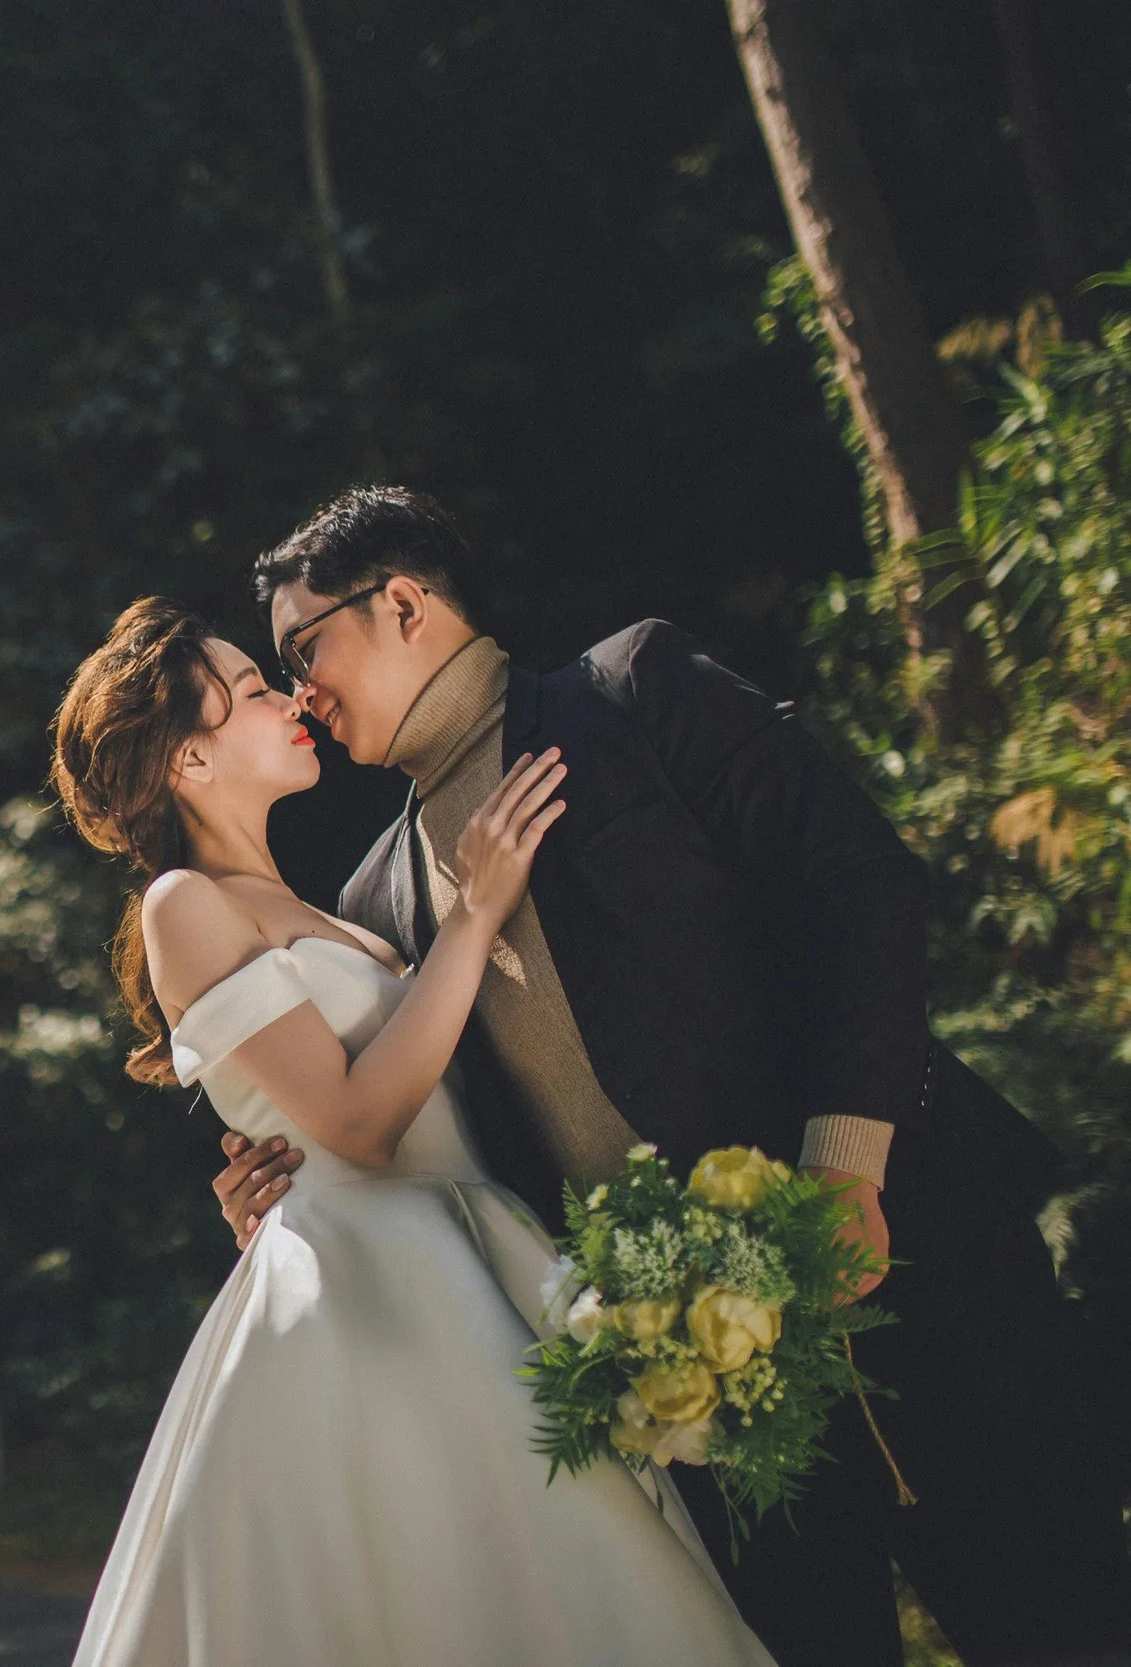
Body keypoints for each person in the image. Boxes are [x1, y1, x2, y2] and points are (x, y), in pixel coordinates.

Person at [209, 484, 1130, 1667]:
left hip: (914, 1259)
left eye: (305, 646)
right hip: (701, 1390)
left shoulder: (630, 692)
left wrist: (844, 1160)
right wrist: (281, 1195)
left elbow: (861, 889)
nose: (297, 691)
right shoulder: (372, 906)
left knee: (1057, 1619)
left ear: (401, 600)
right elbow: (399, 1136)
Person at [50, 596, 777, 1667]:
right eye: (251, 691)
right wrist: (476, 912)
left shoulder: (337, 910)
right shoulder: (181, 903)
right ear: (188, 763)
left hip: (467, 1249)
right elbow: (358, 1123)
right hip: (369, 1291)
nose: (287, 696)